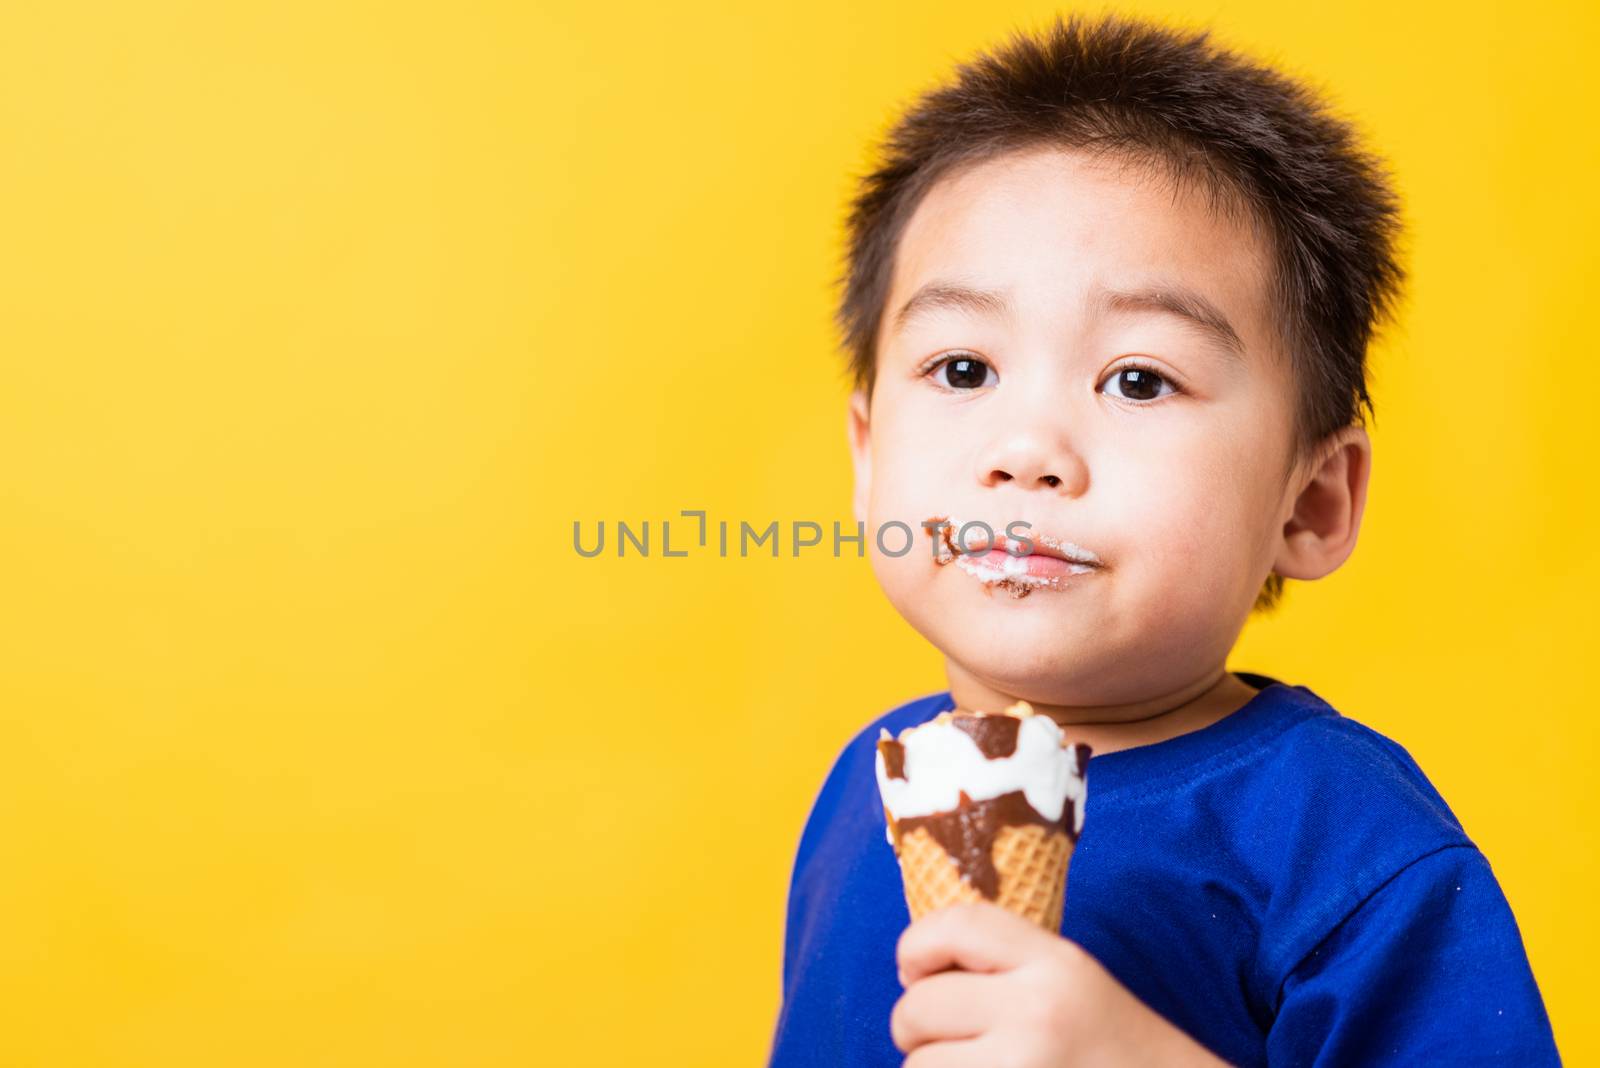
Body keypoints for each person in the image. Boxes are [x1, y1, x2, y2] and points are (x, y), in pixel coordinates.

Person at [768, 13, 1559, 1066]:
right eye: (963, 369)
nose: (1027, 450)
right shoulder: (862, 793)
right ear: (868, 460)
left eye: (1139, 379)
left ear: (1309, 504)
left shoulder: (1349, 852)